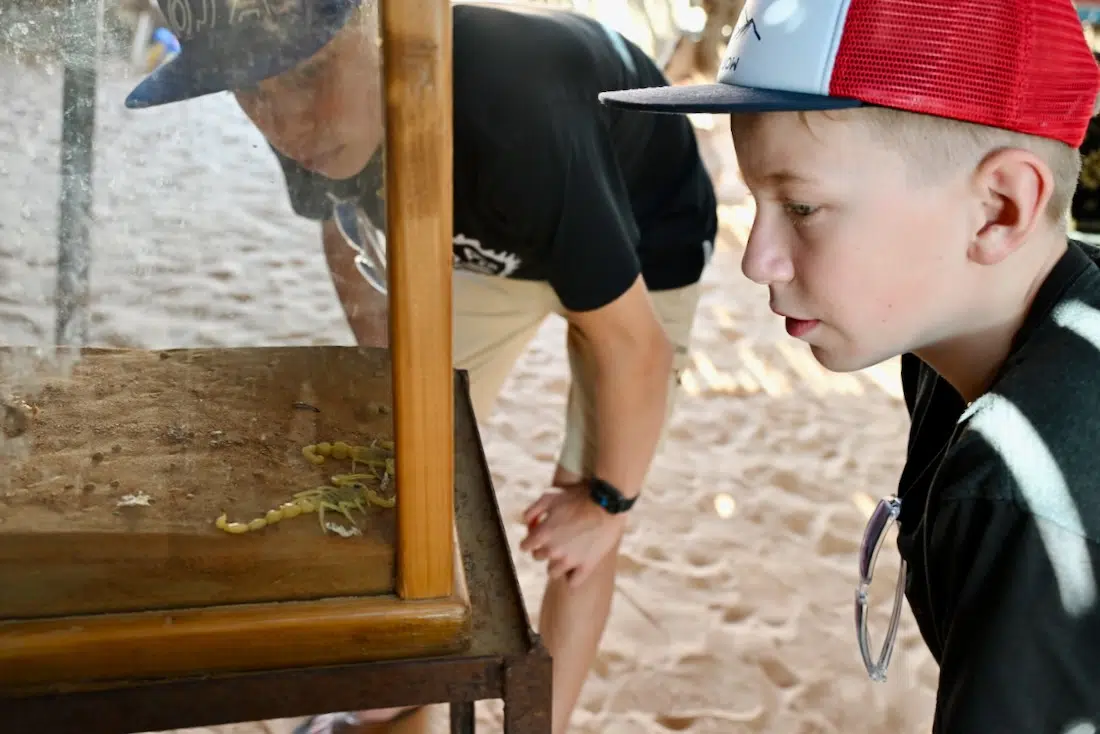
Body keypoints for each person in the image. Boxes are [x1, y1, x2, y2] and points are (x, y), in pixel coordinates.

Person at [125, 1, 717, 732]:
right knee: (403, 470)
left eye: (308, 73)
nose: (285, 120)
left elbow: (634, 348)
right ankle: (399, 693)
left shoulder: (517, 109)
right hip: (496, 236)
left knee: (584, 525)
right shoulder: (309, 117)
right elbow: (342, 231)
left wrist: (605, 506)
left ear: (382, 30)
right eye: (250, 87)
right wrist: (394, 380)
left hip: (639, 228)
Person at [601, 0, 1100, 730]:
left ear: (999, 208)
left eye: (801, 207)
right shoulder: (953, 348)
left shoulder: (1021, 489)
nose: (757, 260)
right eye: (757, 201)